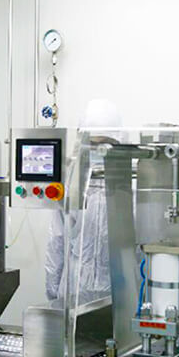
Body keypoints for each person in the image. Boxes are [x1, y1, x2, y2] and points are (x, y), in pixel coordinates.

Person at [44, 99, 124, 301]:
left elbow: (141, 248)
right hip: (74, 290)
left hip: (117, 293)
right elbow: (57, 239)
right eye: (93, 143)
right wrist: (53, 292)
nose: (98, 150)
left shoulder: (130, 183)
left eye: (105, 143)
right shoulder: (71, 180)